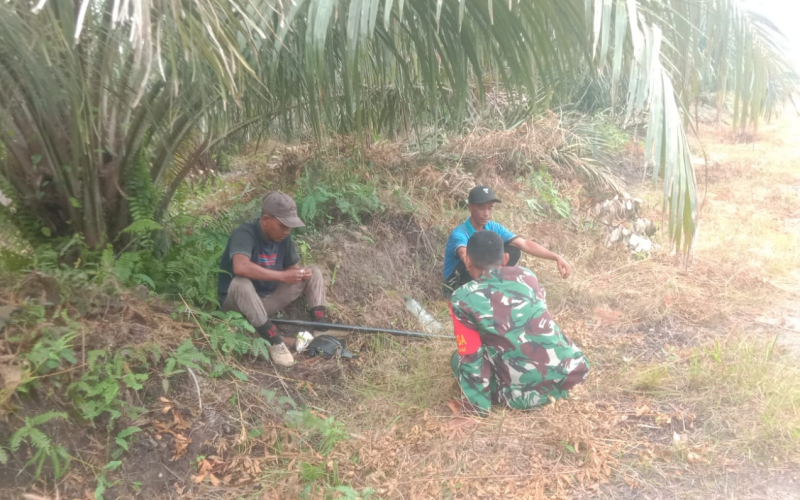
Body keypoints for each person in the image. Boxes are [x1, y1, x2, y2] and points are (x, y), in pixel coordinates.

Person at [448, 230, 589, 414]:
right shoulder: (527, 276)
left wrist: (475, 410)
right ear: (505, 259)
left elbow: (471, 356)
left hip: (524, 396)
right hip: (573, 375)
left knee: (456, 360)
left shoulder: (462, 298)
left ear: (467, 260)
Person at [217, 192, 333, 367]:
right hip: (238, 304)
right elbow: (240, 267)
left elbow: (291, 268)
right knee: (241, 283)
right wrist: (282, 276)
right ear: (265, 219)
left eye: (289, 227)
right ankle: (274, 341)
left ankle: (320, 325)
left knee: (314, 272)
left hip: (266, 301)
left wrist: (299, 274)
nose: (287, 231)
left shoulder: (283, 238)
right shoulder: (244, 234)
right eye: (282, 226)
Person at [443, 185, 572, 297]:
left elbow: (524, 244)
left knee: (514, 249)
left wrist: (556, 257)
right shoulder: (460, 233)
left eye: (490, 208)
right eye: (482, 208)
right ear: (470, 207)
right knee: (476, 256)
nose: (486, 213)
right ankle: (485, 289)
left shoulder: (493, 227)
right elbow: (465, 256)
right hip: (457, 282)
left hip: (480, 276)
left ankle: (492, 287)